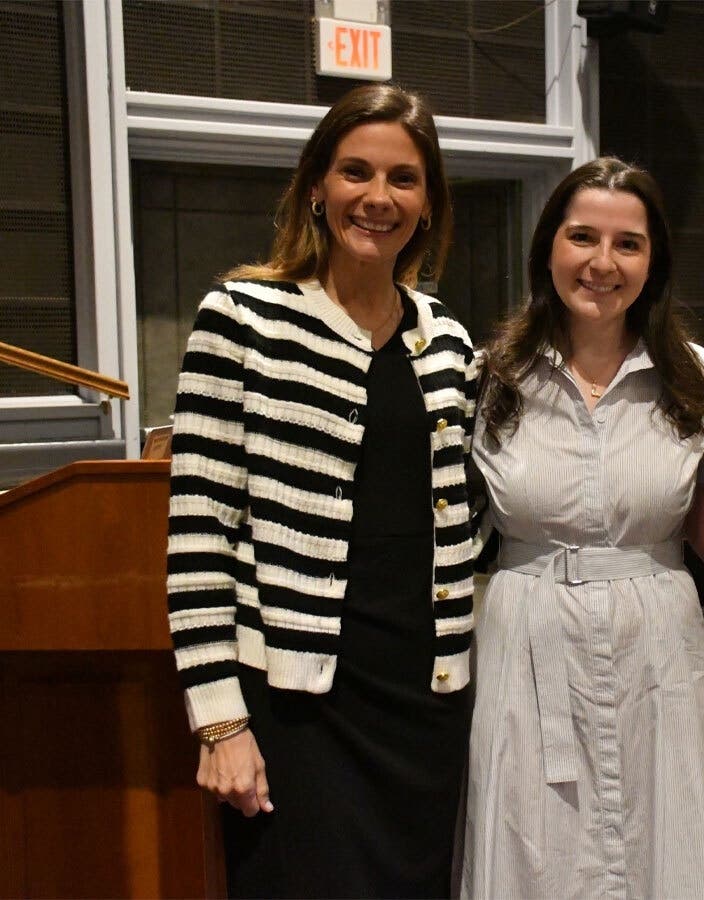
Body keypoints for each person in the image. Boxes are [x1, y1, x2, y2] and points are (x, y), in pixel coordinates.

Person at [165, 83, 477, 898]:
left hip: (425, 705)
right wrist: (220, 720)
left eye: (404, 179)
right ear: (316, 187)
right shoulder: (240, 317)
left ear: (429, 202)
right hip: (299, 710)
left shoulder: (446, 337)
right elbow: (198, 534)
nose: (379, 198)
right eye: (355, 173)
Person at [462, 157, 704, 899]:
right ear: (548, 246)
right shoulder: (488, 379)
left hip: (659, 654)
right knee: (532, 849)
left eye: (629, 244)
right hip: (526, 642)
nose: (602, 263)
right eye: (582, 237)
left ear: (655, 261)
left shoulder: (703, 380)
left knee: (660, 843)